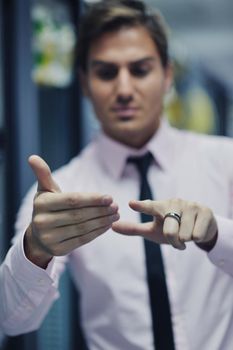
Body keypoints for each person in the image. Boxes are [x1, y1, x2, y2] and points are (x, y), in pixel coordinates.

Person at [1, 0, 233, 349]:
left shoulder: (225, 161)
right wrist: (35, 251)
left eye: (140, 69)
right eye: (106, 72)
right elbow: (12, 320)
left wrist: (218, 234)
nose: (124, 90)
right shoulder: (61, 191)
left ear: (167, 75)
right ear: (84, 82)